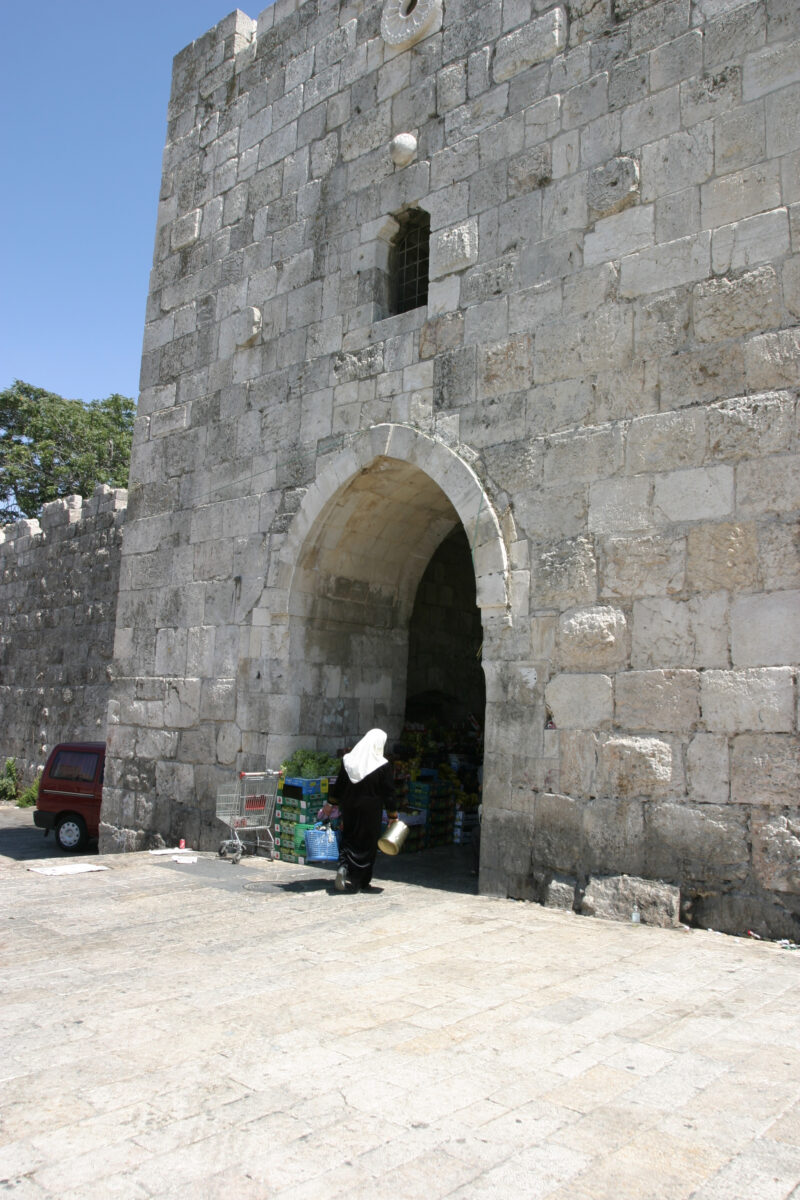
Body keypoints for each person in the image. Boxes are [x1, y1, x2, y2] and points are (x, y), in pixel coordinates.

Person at [320, 728, 396, 893]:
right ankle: (362, 882)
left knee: (349, 838)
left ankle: (344, 867)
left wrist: (330, 804)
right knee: (367, 844)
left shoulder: (349, 760)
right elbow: (389, 792)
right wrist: (393, 815)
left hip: (349, 807)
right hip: (371, 810)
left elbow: (339, 786)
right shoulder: (383, 765)